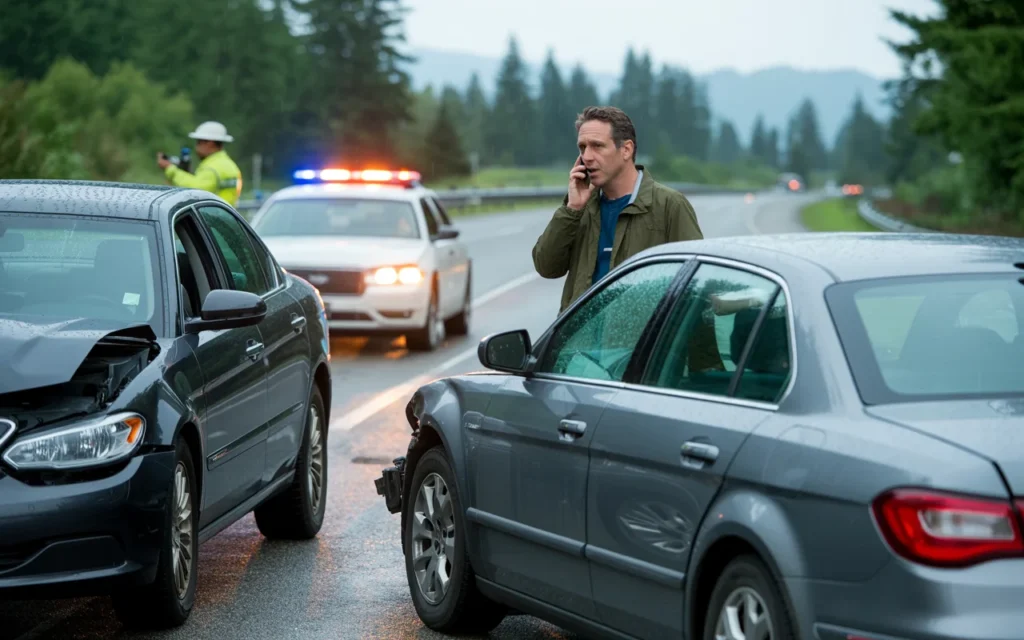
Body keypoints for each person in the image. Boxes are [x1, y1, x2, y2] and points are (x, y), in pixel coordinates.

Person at [532, 106, 704, 313]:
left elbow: (695, 286)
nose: (587, 157)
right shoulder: (579, 206)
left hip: (639, 342)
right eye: (582, 148)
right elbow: (547, 267)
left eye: (597, 146)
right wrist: (572, 210)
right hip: (580, 342)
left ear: (626, 150)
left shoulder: (669, 205)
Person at [158, 121, 242, 206]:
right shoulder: (231, 165)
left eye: (198, 142)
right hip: (225, 215)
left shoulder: (211, 167)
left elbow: (196, 191)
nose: (196, 147)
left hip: (210, 216)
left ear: (210, 143)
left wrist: (170, 169)